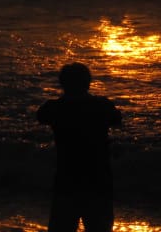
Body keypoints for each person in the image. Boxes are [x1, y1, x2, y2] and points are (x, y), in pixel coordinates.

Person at [37, 63, 122, 232]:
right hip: (98, 179)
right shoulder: (102, 106)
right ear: (88, 82)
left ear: (62, 83)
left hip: (67, 179)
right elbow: (117, 119)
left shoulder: (53, 108)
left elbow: (41, 116)